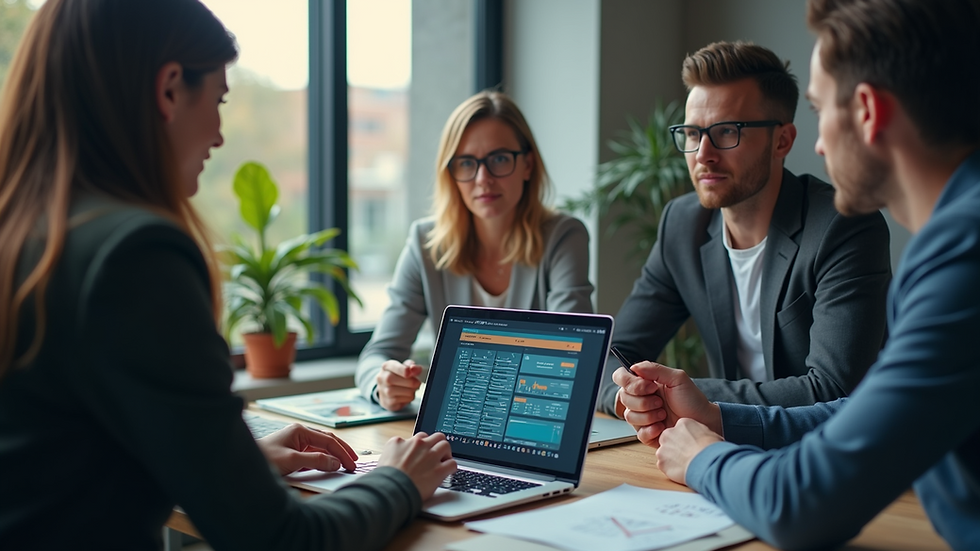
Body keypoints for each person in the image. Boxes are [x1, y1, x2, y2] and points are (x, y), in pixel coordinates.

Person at [0, 1, 456, 550]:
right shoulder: (134, 255)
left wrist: (233, 456)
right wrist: (399, 481)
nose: (218, 135)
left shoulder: (27, 231)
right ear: (169, 89)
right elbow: (283, 541)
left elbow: (62, 452)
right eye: (217, 101)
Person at [614, 0, 980, 549]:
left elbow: (800, 506)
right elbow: (859, 409)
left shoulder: (960, 259)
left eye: (819, 108)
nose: (819, 144)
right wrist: (718, 418)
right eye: (693, 133)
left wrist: (706, 459)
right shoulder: (951, 242)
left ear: (866, 111)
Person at [597, 41, 891, 417]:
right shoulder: (682, 224)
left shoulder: (844, 227)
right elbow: (613, 355)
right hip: (719, 445)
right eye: (691, 133)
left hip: (827, 455)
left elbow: (834, 388)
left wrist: (686, 395)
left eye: (726, 131)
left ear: (781, 140)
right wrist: (630, 396)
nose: (703, 153)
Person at [355, 91, 594, 411]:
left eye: (498, 159)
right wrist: (382, 382)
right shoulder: (425, 243)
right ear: (451, 175)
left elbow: (574, 353)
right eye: (466, 163)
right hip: (460, 423)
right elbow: (376, 356)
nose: (483, 179)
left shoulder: (563, 237)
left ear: (527, 165)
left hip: (534, 415)